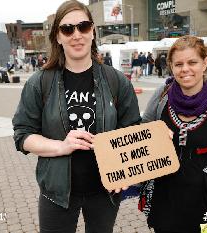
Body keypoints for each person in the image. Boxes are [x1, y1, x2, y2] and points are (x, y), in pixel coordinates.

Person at [12, 1, 141, 233]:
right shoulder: (40, 83)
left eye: (83, 26)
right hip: (56, 192)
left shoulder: (116, 81)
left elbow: (131, 129)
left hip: (105, 190)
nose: (77, 35)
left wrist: (127, 171)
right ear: (58, 37)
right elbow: (23, 135)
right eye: (67, 29)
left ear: (93, 31)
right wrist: (62, 146)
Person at [140, 36, 207, 233]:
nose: (185, 69)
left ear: (204, 64)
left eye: (192, 62)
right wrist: (155, 134)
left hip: (205, 192)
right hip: (165, 190)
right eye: (178, 64)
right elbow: (143, 131)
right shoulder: (163, 94)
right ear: (171, 66)